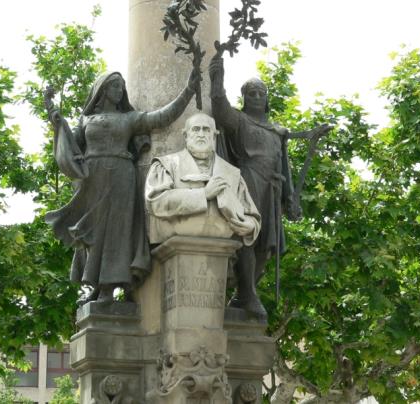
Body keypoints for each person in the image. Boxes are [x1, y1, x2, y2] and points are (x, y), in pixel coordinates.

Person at [44, 70, 198, 305]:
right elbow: (72, 145)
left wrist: (188, 91)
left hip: (121, 179)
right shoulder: (86, 120)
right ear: (103, 89)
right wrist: (57, 121)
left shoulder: (129, 118)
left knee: (116, 233)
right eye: (115, 86)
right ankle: (96, 285)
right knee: (91, 234)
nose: (120, 91)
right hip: (91, 180)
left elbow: (161, 117)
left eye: (121, 87)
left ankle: (108, 288)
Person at [209, 55, 331, 318]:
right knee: (247, 237)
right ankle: (248, 294)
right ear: (244, 97)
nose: (255, 96)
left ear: (266, 97)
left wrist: (290, 199)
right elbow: (219, 108)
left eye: (260, 92)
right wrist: (217, 78)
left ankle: (245, 293)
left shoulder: (278, 131)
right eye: (250, 92)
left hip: (272, 188)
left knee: (267, 244)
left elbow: (283, 166)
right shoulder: (240, 120)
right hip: (248, 180)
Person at [145, 113, 261, 247]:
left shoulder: (232, 173)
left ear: (214, 136)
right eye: (196, 129)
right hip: (175, 248)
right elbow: (156, 201)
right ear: (185, 135)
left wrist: (251, 226)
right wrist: (203, 194)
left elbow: (252, 215)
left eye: (206, 129)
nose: (201, 134)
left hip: (222, 248)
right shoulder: (166, 165)